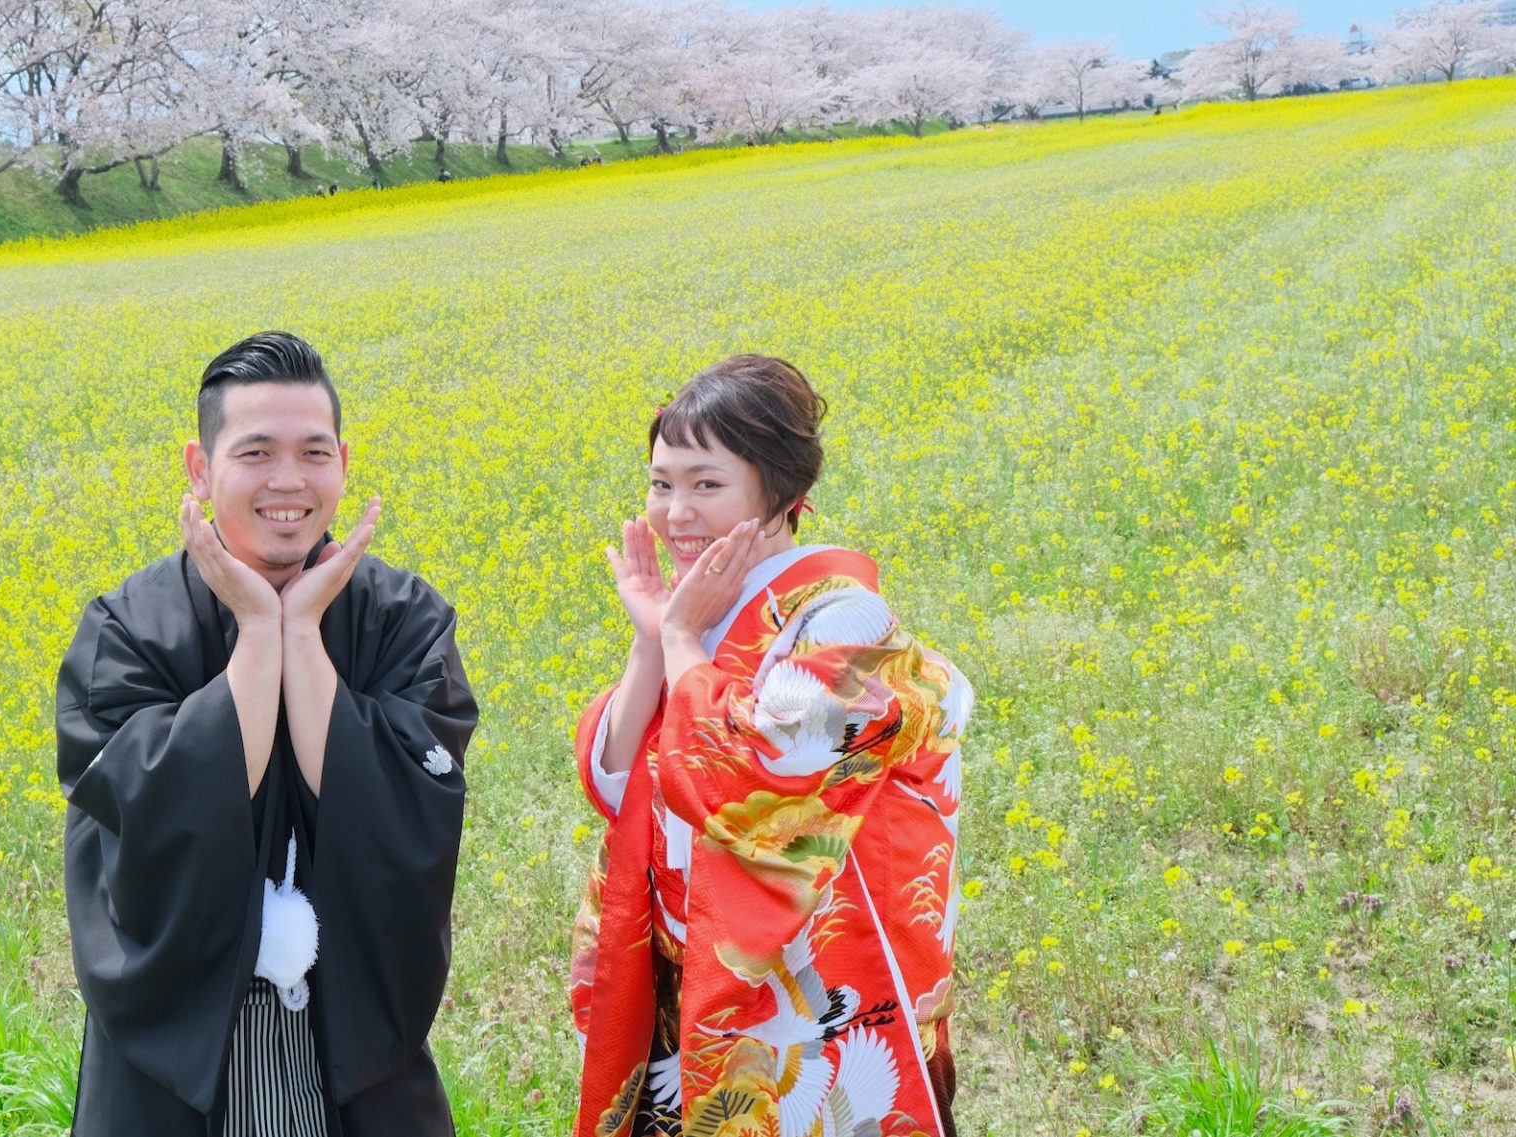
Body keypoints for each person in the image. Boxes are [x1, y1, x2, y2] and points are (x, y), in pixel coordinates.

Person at [57, 331, 477, 1137]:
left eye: (313, 452)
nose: (289, 480)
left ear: (344, 462)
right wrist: (258, 628)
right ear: (199, 466)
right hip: (178, 1061)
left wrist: (304, 631)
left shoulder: (404, 619)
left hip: (351, 1043)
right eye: (256, 451)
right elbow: (151, 809)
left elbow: (397, 806)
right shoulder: (128, 628)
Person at [569, 355, 972, 1137]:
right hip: (692, 970)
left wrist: (683, 637)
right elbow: (620, 783)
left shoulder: (845, 620)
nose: (675, 511)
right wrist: (655, 641)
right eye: (660, 483)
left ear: (782, 493)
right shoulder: (707, 613)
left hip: (811, 988)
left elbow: (749, 777)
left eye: (706, 484)